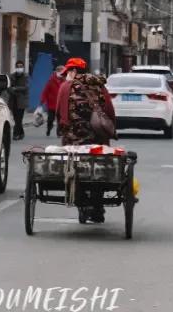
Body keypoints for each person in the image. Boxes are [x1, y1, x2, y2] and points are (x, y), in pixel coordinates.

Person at [57, 57, 117, 223]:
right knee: (98, 170)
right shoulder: (99, 85)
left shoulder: (65, 87)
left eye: (67, 72)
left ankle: (82, 205)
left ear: (74, 71)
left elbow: (60, 114)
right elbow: (110, 111)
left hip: (73, 140)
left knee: (74, 170)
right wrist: (111, 130)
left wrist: (63, 129)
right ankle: (97, 207)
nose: (65, 76)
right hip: (98, 139)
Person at [40, 65, 66, 136]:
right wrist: (42, 101)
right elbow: (45, 92)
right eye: (61, 71)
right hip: (51, 104)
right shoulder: (51, 81)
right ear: (57, 72)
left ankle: (59, 132)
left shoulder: (64, 81)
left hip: (61, 105)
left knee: (60, 120)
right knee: (50, 119)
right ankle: (49, 128)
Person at [8, 60, 30, 140]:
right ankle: (21, 133)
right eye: (18, 66)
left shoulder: (26, 76)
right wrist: (12, 90)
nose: (19, 68)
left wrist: (16, 88)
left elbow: (26, 87)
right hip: (13, 100)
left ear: (23, 68)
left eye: (21, 66)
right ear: (15, 67)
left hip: (21, 101)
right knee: (15, 118)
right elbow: (8, 87)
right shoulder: (11, 76)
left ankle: (15, 134)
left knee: (19, 118)